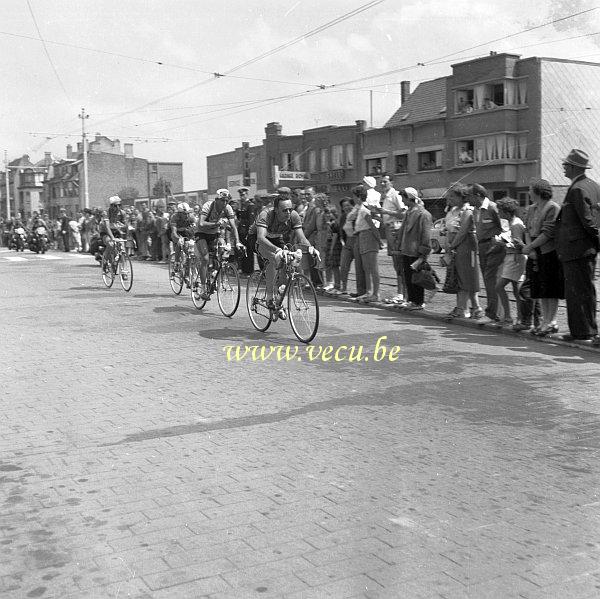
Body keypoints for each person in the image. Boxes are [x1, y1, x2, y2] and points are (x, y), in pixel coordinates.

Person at [555, 149, 600, 344]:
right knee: (585, 290)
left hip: (577, 250)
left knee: (577, 292)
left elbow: (588, 222)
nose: (564, 168)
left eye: (566, 165)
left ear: (574, 167)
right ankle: (585, 330)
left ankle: (582, 333)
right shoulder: (593, 186)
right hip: (584, 249)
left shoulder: (577, 189)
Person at [255, 193, 319, 312]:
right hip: (258, 239)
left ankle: (279, 299)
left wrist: (310, 248)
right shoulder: (266, 214)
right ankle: (269, 297)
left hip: (276, 237)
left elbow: (301, 237)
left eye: (290, 209)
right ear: (276, 210)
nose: (288, 213)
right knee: (273, 258)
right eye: (285, 210)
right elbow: (261, 238)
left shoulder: (294, 216)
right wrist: (278, 250)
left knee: (287, 261)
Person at [519, 179, 563, 336]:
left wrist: (530, 247)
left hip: (549, 252)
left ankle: (551, 321)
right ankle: (545, 320)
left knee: (550, 289)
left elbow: (548, 232)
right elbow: (526, 229)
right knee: (540, 289)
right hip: (534, 253)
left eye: (531, 190)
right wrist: (530, 249)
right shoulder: (531, 208)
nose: (529, 192)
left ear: (538, 191)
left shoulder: (552, 208)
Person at [195, 190, 244, 299]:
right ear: (216, 200)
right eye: (222, 200)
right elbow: (201, 223)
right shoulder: (208, 205)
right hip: (201, 233)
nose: (225, 203)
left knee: (221, 256)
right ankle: (203, 289)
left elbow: (233, 226)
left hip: (214, 233)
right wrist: (217, 223)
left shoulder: (228, 208)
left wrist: (238, 242)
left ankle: (215, 277)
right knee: (206, 258)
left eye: (227, 200)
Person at [445, 184, 483, 319]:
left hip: (466, 246)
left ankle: (463, 308)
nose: (450, 199)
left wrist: (452, 246)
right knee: (461, 277)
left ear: (462, 197)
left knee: (466, 277)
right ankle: (474, 308)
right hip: (456, 247)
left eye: (452, 196)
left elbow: (462, 232)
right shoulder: (452, 210)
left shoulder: (468, 211)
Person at [470, 183, 503, 324]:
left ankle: (491, 313)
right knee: (488, 280)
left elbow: (504, 227)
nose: (468, 199)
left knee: (491, 280)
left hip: (493, 246)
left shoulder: (493, 208)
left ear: (478, 195)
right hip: (482, 246)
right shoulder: (475, 210)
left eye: (470, 196)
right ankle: (496, 312)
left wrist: (497, 243)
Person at [397, 188, 432, 310]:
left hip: (416, 251)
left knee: (417, 277)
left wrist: (423, 253)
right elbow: (403, 231)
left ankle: (419, 301)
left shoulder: (423, 214)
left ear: (409, 198)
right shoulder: (408, 212)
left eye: (403, 197)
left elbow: (426, 235)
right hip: (406, 249)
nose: (402, 200)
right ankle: (411, 300)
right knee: (408, 276)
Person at [494, 197, 526, 328]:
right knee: (515, 291)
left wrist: (503, 243)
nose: (498, 214)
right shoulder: (513, 222)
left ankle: (509, 316)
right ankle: (517, 316)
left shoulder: (515, 224)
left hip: (515, 259)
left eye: (500, 211)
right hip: (513, 259)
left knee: (500, 286)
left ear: (506, 212)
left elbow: (518, 245)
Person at [377, 176, 406, 304]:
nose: (382, 184)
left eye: (385, 181)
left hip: (395, 230)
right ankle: (401, 293)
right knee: (396, 264)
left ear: (391, 182)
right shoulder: (385, 196)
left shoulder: (395, 195)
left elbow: (403, 214)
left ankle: (402, 294)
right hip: (389, 229)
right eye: (381, 182)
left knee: (399, 263)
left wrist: (385, 211)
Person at [352, 184, 382, 303]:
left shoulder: (364, 210)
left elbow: (373, 227)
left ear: (359, 197)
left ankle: (376, 293)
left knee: (373, 267)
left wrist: (379, 241)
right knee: (366, 267)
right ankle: (369, 292)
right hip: (362, 238)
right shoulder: (360, 210)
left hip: (369, 237)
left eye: (354, 196)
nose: (353, 199)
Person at [99, 196, 127, 266]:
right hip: (105, 231)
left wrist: (123, 226)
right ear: (111, 206)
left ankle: (123, 270)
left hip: (116, 231)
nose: (118, 207)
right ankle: (105, 260)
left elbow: (125, 225)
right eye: (115, 206)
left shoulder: (122, 213)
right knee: (111, 244)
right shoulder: (106, 213)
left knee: (122, 247)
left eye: (119, 205)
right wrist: (112, 238)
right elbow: (107, 227)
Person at [170, 201, 196, 270]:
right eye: (184, 214)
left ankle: (188, 267)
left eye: (188, 213)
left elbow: (196, 229)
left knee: (190, 250)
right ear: (180, 213)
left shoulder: (191, 216)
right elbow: (174, 231)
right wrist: (178, 238)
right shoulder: (174, 217)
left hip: (186, 232)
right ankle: (177, 262)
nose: (186, 215)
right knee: (179, 243)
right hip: (177, 233)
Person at [338, 197, 356, 296]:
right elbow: (341, 232)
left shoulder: (356, 215)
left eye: (348, 205)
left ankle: (361, 290)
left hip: (357, 242)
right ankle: (343, 287)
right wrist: (343, 243)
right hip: (347, 243)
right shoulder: (343, 217)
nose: (346, 208)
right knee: (344, 265)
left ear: (352, 205)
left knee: (360, 268)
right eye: (344, 206)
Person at [236, 187, 256, 274]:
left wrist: (249, 232)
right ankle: (244, 270)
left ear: (247, 194)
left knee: (249, 251)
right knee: (242, 251)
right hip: (241, 231)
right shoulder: (241, 205)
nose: (241, 196)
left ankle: (249, 271)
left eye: (243, 195)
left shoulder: (250, 205)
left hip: (247, 231)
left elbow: (251, 220)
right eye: (240, 195)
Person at [324, 206, 342, 293]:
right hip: (330, 244)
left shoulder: (335, 223)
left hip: (335, 245)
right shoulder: (330, 223)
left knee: (335, 266)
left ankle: (337, 285)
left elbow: (335, 236)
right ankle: (334, 285)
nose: (328, 215)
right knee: (331, 265)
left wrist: (331, 248)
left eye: (329, 213)